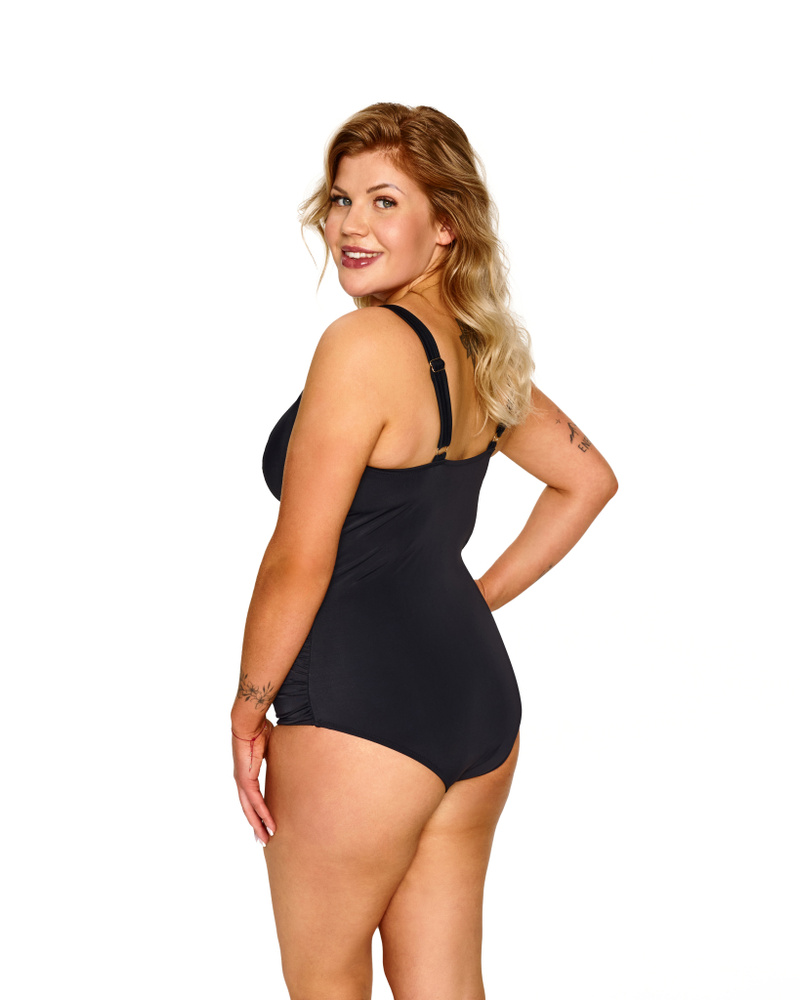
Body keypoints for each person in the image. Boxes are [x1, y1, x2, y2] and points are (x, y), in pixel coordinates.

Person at [231, 102, 617, 1000]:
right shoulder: (480, 354)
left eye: (384, 201)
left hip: (357, 710)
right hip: (475, 701)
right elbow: (588, 481)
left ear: (445, 225)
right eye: (341, 200)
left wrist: (248, 709)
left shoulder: (360, 345)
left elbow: (298, 559)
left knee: (326, 984)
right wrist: (471, 601)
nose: (351, 225)